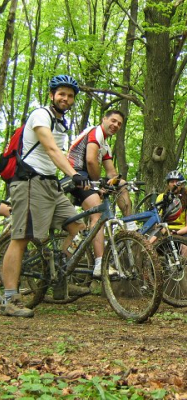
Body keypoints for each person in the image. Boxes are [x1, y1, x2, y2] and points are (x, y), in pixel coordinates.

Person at [0, 74, 90, 318]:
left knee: (78, 227)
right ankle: (10, 298)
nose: (65, 98)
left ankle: (58, 274)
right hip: (30, 182)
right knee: (22, 237)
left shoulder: (62, 123)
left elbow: (60, 155)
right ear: (52, 95)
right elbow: (51, 149)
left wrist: (85, 178)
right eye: (61, 94)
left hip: (51, 185)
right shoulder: (41, 115)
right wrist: (74, 174)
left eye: (70, 96)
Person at [67, 109, 132, 278]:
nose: (116, 125)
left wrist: (119, 182)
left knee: (122, 184)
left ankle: (129, 223)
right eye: (113, 121)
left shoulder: (105, 146)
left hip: (88, 179)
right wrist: (97, 185)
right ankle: (99, 263)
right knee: (98, 215)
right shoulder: (95, 132)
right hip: (75, 175)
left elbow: (111, 172)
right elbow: (90, 160)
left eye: (119, 124)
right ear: (104, 119)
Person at [155, 170, 187, 238]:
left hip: (181, 231)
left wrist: (176, 233)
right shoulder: (161, 197)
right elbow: (157, 221)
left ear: (181, 185)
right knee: (149, 242)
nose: (174, 184)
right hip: (163, 230)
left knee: (185, 245)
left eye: (177, 182)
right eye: (172, 182)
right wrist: (165, 232)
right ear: (168, 184)